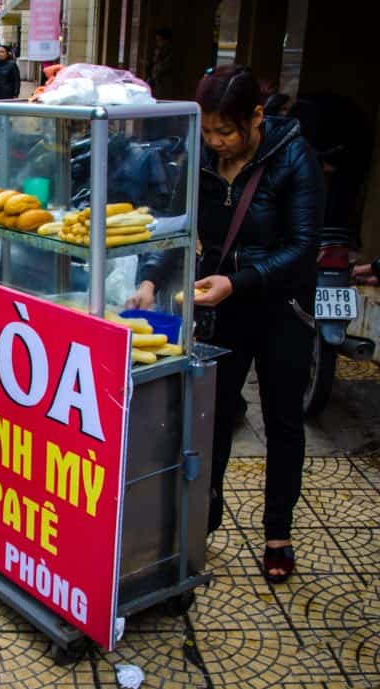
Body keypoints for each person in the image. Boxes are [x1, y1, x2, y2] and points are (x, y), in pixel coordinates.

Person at [130, 65, 323, 583]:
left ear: (256, 117)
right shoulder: (203, 158)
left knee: (283, 422)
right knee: (212, 416)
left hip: (283, 309)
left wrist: (239, 281)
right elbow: (177, 223)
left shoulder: (293, 160)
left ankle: (277, 531)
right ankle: (204, 519)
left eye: (226, 132)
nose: (215, 142)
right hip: (224, 309)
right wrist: (151, 276)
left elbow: (304, 249)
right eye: (208, 131)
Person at [145, 27, 175, 100]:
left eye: (160, 40)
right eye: (157, 40)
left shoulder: (171, 54)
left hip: (164, 87)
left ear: (167, 41)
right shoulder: (157, 52)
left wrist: (158, 59)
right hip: (154, 85)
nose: (158, 43)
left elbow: (162, 69)